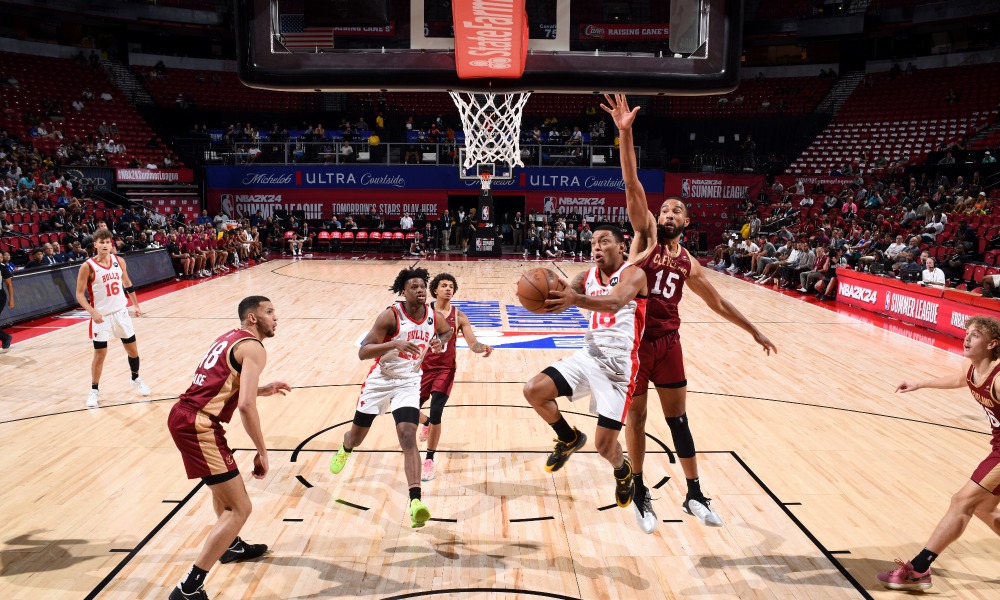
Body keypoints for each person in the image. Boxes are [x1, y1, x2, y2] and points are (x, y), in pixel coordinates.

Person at [602, 94, 777, 533]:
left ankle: (694, 492)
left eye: (675, 209)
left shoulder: (688, 263)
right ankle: (640, 489)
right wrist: (625, 133)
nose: (667, 213)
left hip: (669, 344)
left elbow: (718, 303)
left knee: (678, 419)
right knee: (639, 418)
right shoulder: (644, 238)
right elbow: (632, 185)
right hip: (636, 344)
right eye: (664, 209)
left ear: (687, 219)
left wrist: (753, 329)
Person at [167, 296, 291, 600]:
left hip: (185, 416)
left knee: (223, 493)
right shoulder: (255, 347)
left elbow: (223, 385)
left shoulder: (229, 338)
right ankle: (189, 588)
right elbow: (246, 406)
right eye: (269, 312)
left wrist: (263, 388)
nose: (276, 318)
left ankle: (231, 545)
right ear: (252, 318)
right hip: (199, 425)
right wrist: (262, 451)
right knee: (241, 507)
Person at [531, 224, 649, 523]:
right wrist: (542, 297)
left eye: (604, 241)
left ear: (622, 247)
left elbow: (614, 302)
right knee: (534, 390)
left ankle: (623, 472)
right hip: (588, 355)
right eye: (593, 241)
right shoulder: (586, 277)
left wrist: (574, 299)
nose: (596, 246)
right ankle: (568, 437)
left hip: (619, 369)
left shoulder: (634, 274)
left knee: (605, 447)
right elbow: (562, 297)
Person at [876, 316, 1000, 591]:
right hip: (997, 448)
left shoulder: (999, 379)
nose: (967, 338)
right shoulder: (970, 367)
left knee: (962, 502)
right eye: (967, 333)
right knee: (982, 507)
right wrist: (921, 383)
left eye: (976, 335)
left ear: (992, 344)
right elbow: (960, 379)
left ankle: (918, 569)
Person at [329, 268, 453, 528]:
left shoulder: (433, 316)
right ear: (403, 292)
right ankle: (346, 447)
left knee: (408, 434)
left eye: (422, 286)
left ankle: (415, 501)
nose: (420, 290)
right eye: (414, 287)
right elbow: (363, 352)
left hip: (409, 381)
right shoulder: (390, 316)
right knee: (357, 436)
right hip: (380, 381)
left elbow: (446, 331)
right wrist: (393, 344)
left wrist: (440, 342)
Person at [416, 273, 493, 481]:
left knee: (437, 410)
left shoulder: (459, 316)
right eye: (444, 286)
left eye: (451, 286)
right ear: (435, 290)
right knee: (407, 409)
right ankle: (425, 423)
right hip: (421, 369)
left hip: (445, 369)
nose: (448, 289)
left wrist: (482, 347)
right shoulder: (423, 312)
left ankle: (429, 459)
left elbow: (472, 343)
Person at [74, 228, 149, 407]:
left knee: (133, 351)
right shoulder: (87, 266)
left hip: (121, 313)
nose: (105, 245)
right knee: (100, 355)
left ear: (111, 244)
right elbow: (79, 294)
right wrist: (92, 311)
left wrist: (136, 305)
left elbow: (127, 283)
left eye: (108, 242)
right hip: (102, 317)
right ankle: (94, 390)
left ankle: (136, 378)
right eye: (102, 242)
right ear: (96, 244)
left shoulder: (119, 261)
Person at [0, 260, 12, 352]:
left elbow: (9, 284)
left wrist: (11, 299)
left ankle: (5, 338)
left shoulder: (2, 267)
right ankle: (5, 337)